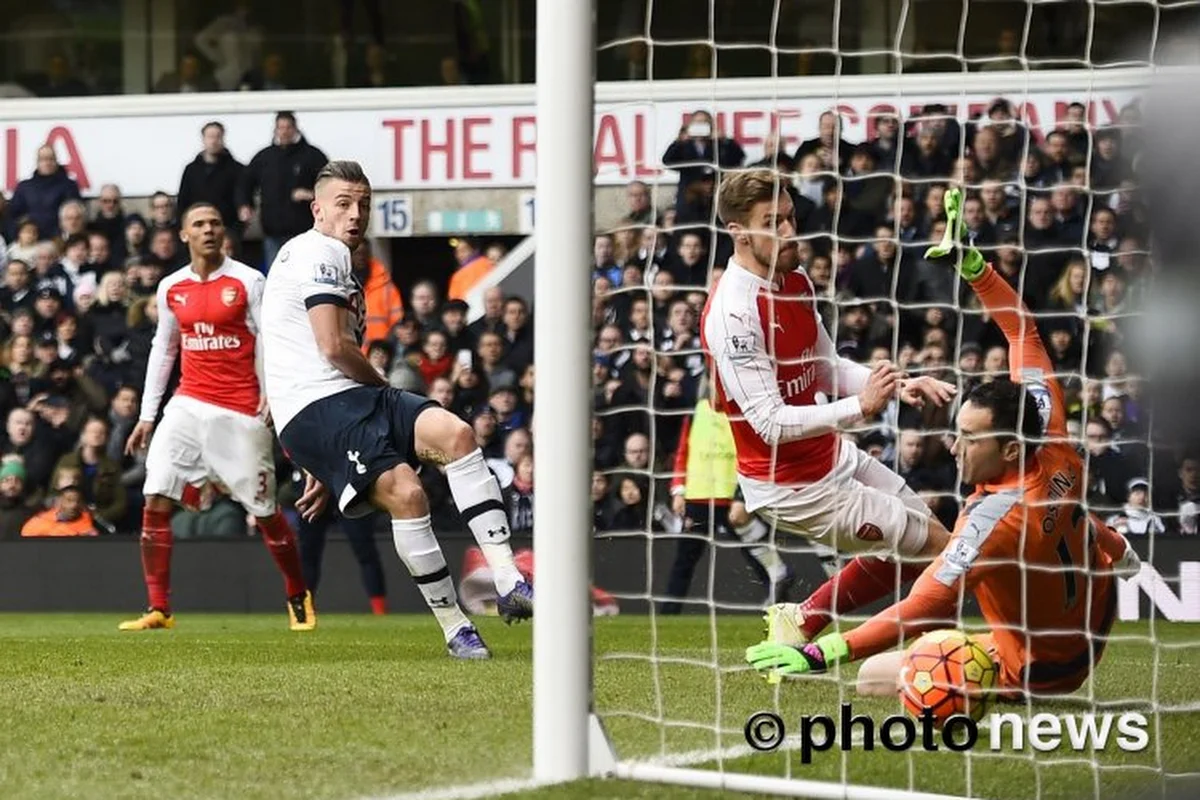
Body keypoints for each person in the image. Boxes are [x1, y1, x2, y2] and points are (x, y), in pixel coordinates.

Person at [745, 188, 1141, 698]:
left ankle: (945, 676)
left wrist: (824, 653)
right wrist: (974, 265)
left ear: (1011, 450)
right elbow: (1022, 332)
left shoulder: (992, 519)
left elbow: (925, 603)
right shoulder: (1049, 427)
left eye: (971, 439)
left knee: (873, 679)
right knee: (1066, 523)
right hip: (1094, 614)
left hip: (1045, 668)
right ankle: (1119, 551)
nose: (954, 447)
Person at [260, 160, 532, 660]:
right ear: (317, 209)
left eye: (363, 204)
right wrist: (361, 405)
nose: (355, 214)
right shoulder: (321, 252)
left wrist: (319, 457)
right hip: (324, 403)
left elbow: (290, 347)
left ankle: (509, 577)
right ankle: (456, 628)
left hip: (337, 402)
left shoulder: (320, 257)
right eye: (343, 204)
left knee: (458, 435)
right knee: (408, 493)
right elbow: (333, 347)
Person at [701, 169, 957, 655]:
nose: (789, 232)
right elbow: (769, 423)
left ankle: (800, 620)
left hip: (830, 454)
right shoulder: (734, 313)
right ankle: (947, 659)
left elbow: (826, 367)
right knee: (943, 550)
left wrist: (897, 385)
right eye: (771, 222)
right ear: (737, 232)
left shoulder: (794, 278)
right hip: (789, 484)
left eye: (790, 217)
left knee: (921, 544)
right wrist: (860, 408)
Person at [119, 203, 313, 632]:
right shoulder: (172, 287)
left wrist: (272, 393)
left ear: (223, 233)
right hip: (188, 404)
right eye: (199, 225)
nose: (209, 230)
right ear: (185, 235)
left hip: (240, 410)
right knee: (155, 496)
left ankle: (297, 593)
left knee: (264, 512)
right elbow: (164, 348)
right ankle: (158, 608)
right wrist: (148, 414)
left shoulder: (248, 280)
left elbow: (270, 338)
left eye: (215, 224)